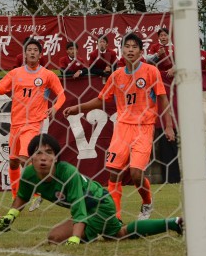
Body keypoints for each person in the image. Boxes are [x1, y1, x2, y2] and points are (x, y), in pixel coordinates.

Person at [63, 33, 175, 220]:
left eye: (134, 47)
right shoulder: (116, 76)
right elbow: (100, 100)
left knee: (135, 173)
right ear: (121, 51)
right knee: (114, 173)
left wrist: (169, 126)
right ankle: (115, 218)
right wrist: (77, 108)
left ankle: (147, 202)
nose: (130, 50)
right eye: (127, 47)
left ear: (141, 51)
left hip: (144, 127)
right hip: (122, 127)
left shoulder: (150, 71)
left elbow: (163, 98)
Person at [0, 134, 183, 243]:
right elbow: (22, 196)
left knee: (54, 237)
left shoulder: (67, 173)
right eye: (38, 153)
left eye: (49, 152)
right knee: (119, 234)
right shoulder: (29, 174)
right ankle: (173, 223)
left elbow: (78, 205)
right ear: (30, 158)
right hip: (91, 207)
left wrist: (75, 239)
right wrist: (10, 216)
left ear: (56, 157)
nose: (43, 157)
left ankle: (172, 222)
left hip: (99, 203)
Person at [0, 38, 66, 209]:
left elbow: (62, 94)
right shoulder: (15, 73)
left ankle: (38, 193)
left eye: (35, 50)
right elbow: (2, 88)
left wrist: (55, 107)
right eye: (29, 50)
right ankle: (17, 198)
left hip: (33, 123)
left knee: (25, 158)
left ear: (40, 54)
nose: (32, 52)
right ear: (24, 54)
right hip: (15, 124)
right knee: (13, 162)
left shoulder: (47, 75)